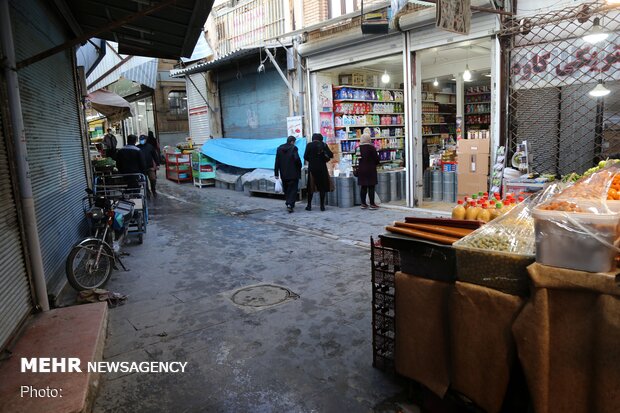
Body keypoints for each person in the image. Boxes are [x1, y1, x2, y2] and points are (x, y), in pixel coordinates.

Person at [304, 133, 333, 211]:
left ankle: (309, 206)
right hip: (322, 168)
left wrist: (312, 160)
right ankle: (322, 206)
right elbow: (331, 155)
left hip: (312, 168)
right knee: (322, 187)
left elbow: (305, 156)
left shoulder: (309, 145)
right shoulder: (324, 145)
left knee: (311, 186)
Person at [274, 136, 302, 213]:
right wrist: (300, 166)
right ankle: (290, 204)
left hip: (283, 174)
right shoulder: (294, 148)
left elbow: (277, 162)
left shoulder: (279, 149)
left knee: (286, 189)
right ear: (292, 141)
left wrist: (276, 173)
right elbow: (297, 159)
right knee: (293, 190)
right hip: (293, 173)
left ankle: (288, 203)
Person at [357, 130, 380, 210]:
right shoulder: (371, 148)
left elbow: (358, 159)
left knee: (363, 187)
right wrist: (375, 164)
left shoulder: (358, 148)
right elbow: (376, 159)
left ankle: (363, 203)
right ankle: (372, 204)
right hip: (370, 169)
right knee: (371, 187)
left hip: (361, 169)